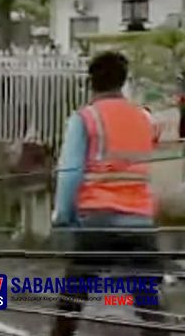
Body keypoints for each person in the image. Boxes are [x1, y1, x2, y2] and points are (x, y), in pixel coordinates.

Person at [51, 51, 167, 336]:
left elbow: (70, 173)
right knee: (148, 301)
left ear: (91, 82)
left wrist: (63, 216)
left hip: (98, 220)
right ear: (123, 81)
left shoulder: (86, 118)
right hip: (139, 221)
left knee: (73, 297)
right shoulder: (144, 118)